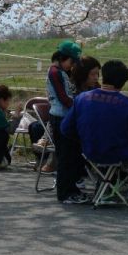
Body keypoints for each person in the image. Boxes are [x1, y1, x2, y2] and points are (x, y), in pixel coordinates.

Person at [61, 60, 128, 206]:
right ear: (123, 82)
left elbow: (65, 128)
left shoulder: (82, 98)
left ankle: (107, 189)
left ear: (103, 76)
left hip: (89, 153)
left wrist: (84, 139)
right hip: (118, 155)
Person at [45, 40, 86, 203]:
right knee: (65, 157)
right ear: (64, 58)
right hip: (61, 117)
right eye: (71, 62)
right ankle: (65, 194)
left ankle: (71, 189)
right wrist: (79, 106)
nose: (72, 65)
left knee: (70, 155)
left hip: (64, 116)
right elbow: (64, 98)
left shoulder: (59, 71)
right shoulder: (55, 72)